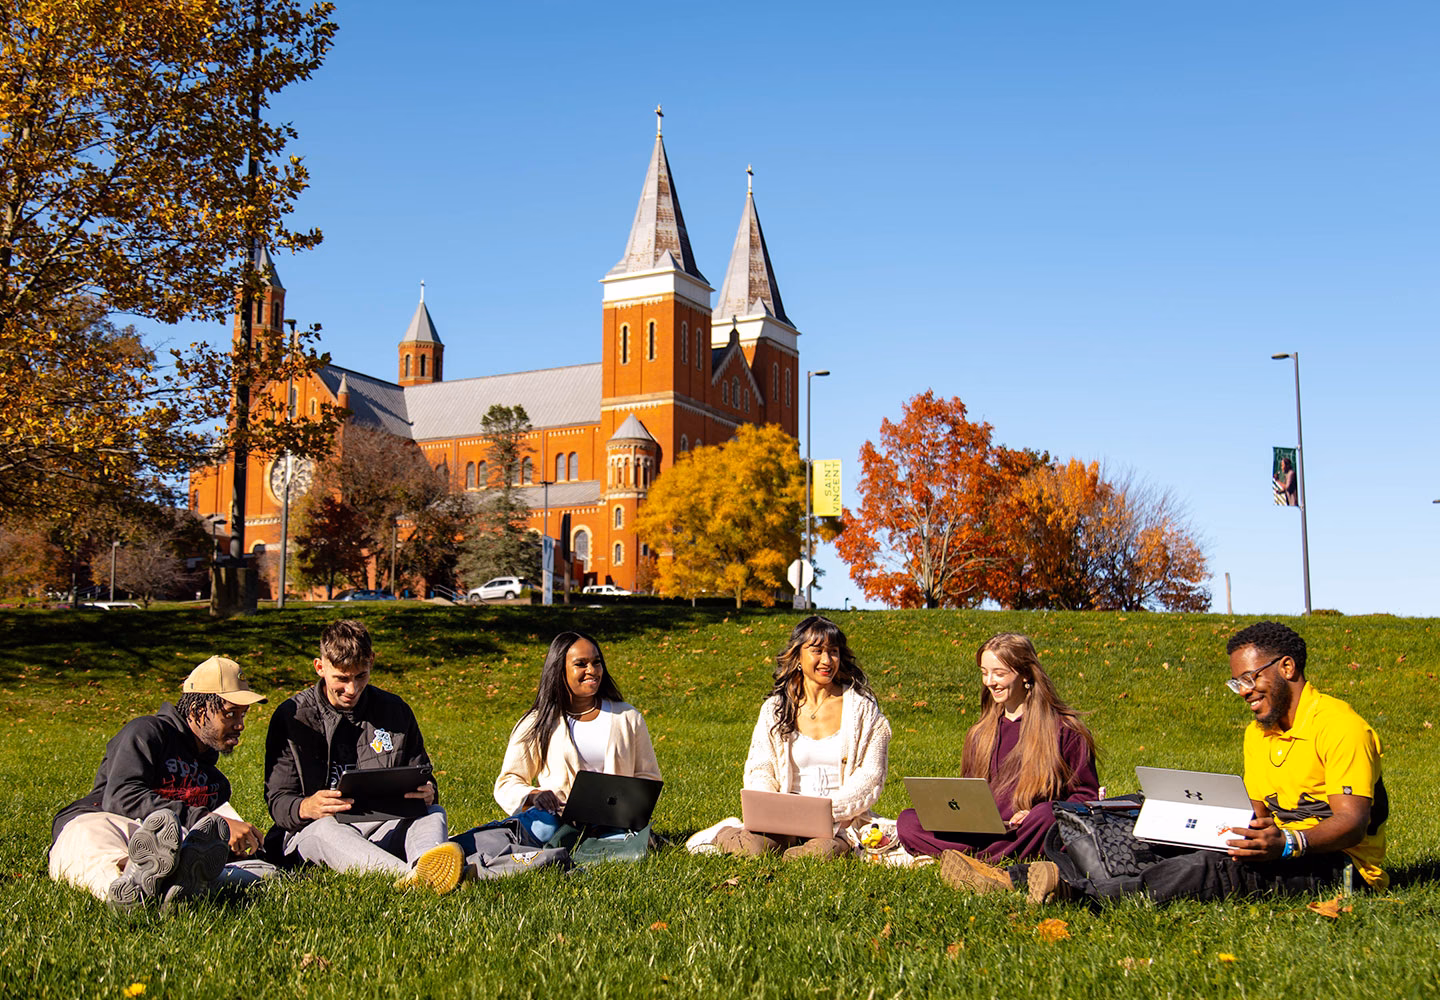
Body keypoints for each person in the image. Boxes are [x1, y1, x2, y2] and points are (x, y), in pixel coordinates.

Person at [945, 621, 1388, 903]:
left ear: (1287, 667)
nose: (1246, 691)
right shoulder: (1260, 734)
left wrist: (1288, 844)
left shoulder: (1339, 726)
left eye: (1251, 678)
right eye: (1238, 683)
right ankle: (1014, 876)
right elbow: (1258, 810)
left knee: (1207, 869)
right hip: (1272, 844)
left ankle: (1066, 892)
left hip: (1338, 868)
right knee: (1123, 827)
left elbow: (1351, 822)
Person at [49, 655, 271, 912]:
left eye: (243, 714)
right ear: (198, 711)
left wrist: (237, 845)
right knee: (90, 836)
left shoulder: (215, 782)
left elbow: (208, 839)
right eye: (230, 714)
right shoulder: (147, 732)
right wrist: (207, 820)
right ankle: (128, 891)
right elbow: (121, 797)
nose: (240, 725)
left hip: (173, 843)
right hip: (108, 822)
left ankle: (169, 883)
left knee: (250, 868)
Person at [263, 619, 462, 893]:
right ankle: (414, 879)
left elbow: (420, 772)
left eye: (361, 676)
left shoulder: (395, 711)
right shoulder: (293, 716)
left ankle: (426, 865)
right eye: (341, 679)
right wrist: (307, 806)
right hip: (314, 831)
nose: (352, 690)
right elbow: (278, 800)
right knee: (326, 829)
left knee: (433, 813)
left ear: (371, 661)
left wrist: (429, 792)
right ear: (320, 667)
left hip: (381, 825)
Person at [899, 633, 1097, 866]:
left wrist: (1037, 812)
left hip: (1027, 831)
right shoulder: (980, 733)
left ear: (1025, 674)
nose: (989, 681)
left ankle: (971, 861)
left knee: (1047, 817)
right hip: (980, 832)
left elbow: (1086, 797)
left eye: (999, 673)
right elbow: (969, 793)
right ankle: (990, 859)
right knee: (907, 820)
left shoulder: (1064, 730)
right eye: (984, 672)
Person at [717, 615, 891, 860]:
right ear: (798, 656)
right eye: (817, 651)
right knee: (753, 850)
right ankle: (722, 834)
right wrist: (770, 809)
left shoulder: (865, 711)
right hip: (783, 819)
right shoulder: (775, 708)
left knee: (818, 855)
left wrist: (828, 811)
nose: (827, 660)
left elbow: (871, 775)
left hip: (837, 824)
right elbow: (761, 767)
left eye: (833, 651)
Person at [493, 630, 661, 849]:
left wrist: (626, 808)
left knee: (622, 841)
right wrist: (533, 795)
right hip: (556, 819)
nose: (592, 670)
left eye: (596, 662)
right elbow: (508, 781)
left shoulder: (628, 718)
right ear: (559, 670)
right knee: (544, 828)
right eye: (581, 664)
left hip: (614, 822)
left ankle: (607, 843)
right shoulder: (538, 722)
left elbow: (648, 778)